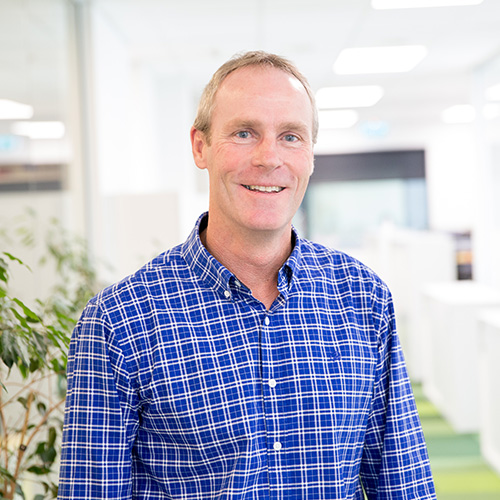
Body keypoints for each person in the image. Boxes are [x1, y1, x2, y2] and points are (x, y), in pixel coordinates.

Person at [58, 51, 436, 499]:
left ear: (311, 155)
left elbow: (403, 482)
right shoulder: (118, 322)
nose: (269, 157)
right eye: (244, 133)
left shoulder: (363, 297)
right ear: (200, 147)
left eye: (291, 136)